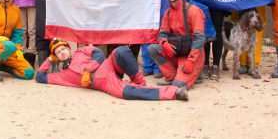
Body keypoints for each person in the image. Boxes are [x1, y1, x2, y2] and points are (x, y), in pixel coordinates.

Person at [35, 39, 188, 101]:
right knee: (127, 93)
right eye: (58, 53)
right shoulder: (63, 75)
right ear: (57, 58)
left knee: (121, 51)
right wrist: (49, 59)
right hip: (102, 83)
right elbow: (40, 77)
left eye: (63, 49)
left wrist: (88, 70)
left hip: (106, 66)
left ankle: (140, 82)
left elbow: (99, 54)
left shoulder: (80, 51)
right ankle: (175, 92)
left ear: (68, 48)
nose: (62, 53)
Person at [147, 0, 206, 88]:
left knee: (179, 86)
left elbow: (200, 38)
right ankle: (171, 75)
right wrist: (164, 43)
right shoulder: (168, 13)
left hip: (191, 53)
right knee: (153, 48)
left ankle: (195, 72)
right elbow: (162, 33)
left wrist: (191, 60)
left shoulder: (193, 11)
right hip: (178, 50)